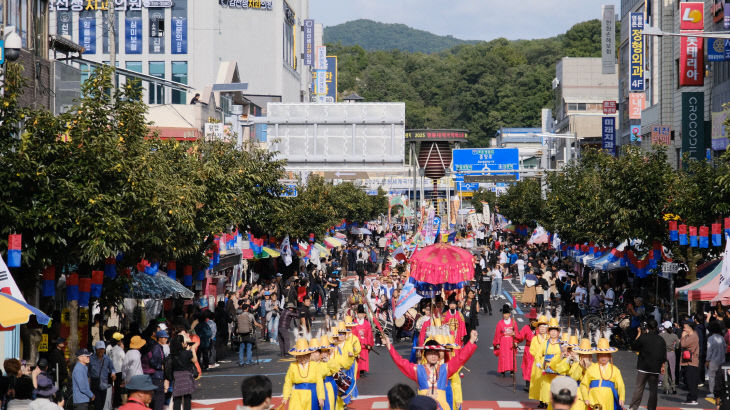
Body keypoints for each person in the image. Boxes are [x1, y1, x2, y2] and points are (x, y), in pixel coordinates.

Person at [383, 330, 479, 410]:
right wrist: (389, 346)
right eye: (430, 353)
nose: (433, 356)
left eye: (435, 353)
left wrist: (471, 341)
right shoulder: (417, 370)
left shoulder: (445, 369)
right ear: (425, 355)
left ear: (439, 355)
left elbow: (460, 358)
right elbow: (400, 362)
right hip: (423, 407)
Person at [628, 319, 665, 410]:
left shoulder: (643, 337)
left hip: (643, 367)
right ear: (656, 327)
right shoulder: (661, 339)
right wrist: (662, 365)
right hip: (655, 368)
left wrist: (639, 333)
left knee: (639, 388)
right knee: (653, 390)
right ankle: (651, 408)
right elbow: (663, 354)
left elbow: (633, 346)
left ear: (647, 327)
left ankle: (633, 407)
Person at [580, 338, 625, 410]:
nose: (603, 358)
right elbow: (583, 385)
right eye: (601, 355)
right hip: (593, 400)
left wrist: (621, 398)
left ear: (609, 356)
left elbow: (621, 385)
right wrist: (586, 398)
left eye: (606, 355)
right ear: (597, 356)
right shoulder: (591, 368)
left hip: (609, 400)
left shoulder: (615, 370)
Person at [281, 336, 325, 410]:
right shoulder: (293, 366)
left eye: (305, 356)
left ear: (308, 355)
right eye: (299, 356)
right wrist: (285, 397)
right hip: (297, 396)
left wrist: (321, 397)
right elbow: (288, 382)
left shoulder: (315, 365)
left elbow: (319, 382)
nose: (302, 358)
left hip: (312, 395)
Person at [531, 317, 564, 409]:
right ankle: (546, 403)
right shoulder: (545, 343)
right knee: (546, 387)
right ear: (549, 332)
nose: (553, 333)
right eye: (551, 331)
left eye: (555, 331)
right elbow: (538, 354)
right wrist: (538, 363)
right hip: (547, 369)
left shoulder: (562, 344)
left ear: (558, 332)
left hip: (558, 370)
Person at [165, 334, 197, 410]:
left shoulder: (172, 355)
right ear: (182, 343)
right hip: (186, 376)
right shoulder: (187, 353)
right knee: (187, 398)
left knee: (177, 399)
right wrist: (192, 350)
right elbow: (194, 360)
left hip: (176, 376)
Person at [493, 304, 520, 377]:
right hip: (503, 342)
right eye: (504, 314)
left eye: (506, 314)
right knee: (503, 356)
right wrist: (497, 343)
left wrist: (516, 341)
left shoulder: (513, 322)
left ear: (509, 314)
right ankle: (503, 370)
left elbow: (516, 332)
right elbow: (497, 334)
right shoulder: (500, 323)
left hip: (511, 341)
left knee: (512, 356)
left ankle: (512, 370)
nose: (505, 315)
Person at [88, 341, 116, 410]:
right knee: (98, 405)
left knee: (102, 405)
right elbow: (87, 372)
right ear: (96, 349)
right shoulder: (91, 359)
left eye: (102, 349)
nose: (101, 351)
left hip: (104, 386)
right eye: (99, 349)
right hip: (95, 386)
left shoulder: (107, 359)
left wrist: (113, 373)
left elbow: (112, 368)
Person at [680, 319, 700, 405]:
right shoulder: (691, 335)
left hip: (691, 362)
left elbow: (683, 344)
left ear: (689, 327)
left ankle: (693, 398)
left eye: (684, 328)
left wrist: (683, 336)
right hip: (689, 361)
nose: (683, 329)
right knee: (689, 380)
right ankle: (691, 398)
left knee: (691, 381)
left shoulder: (693, 336)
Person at [707, 320, 727, 399]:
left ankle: (712, 392)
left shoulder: (710, 338)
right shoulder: (722, 338)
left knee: (712, 376)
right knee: (720, 377)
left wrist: (707, 360)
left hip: (713, 360)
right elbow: (725, 348)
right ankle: (720, 391)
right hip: (721, 360)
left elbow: (709, 351)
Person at [518, 309, 537, 392]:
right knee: (528, 367)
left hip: (537, 351)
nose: (532, 321)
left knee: (536, 367)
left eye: (534, 320)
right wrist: (515, 339)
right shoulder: (526, 328)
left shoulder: (540, 329)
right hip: (528, 350)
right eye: (531, 320)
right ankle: (527, 384)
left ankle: (535, 384)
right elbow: (520, 337)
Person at [353, 305, 374, 378]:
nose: (360, 315)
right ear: (357, 314)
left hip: (364, 342)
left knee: (364, 356)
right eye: (359, 314)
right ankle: (357, 370)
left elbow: (369, 334)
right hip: (357, 342)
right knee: (357, 356)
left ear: (364, 314)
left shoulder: (367, 323)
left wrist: (369, 344)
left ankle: (362, 371)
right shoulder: (354, 322)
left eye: (361, 314)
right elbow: (353, 333)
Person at [659, 321, 679, 395]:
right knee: (672, 370)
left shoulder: (661, 335)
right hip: (672, 353)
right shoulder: (674, 336)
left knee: (664, 371)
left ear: (665, 327)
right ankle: (673, 388)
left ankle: (666, 388)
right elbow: (677, 345)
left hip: (663, 353)